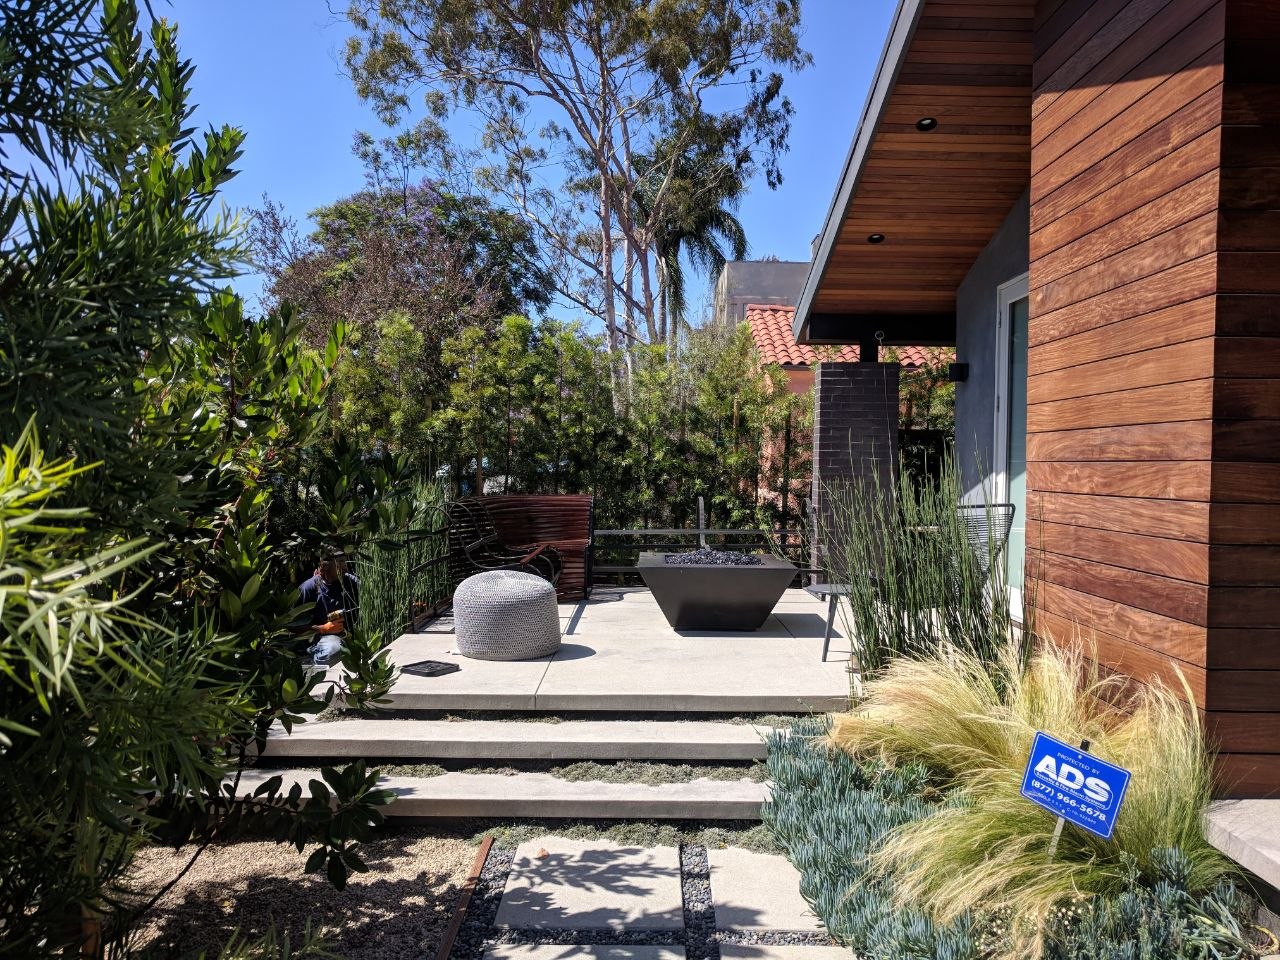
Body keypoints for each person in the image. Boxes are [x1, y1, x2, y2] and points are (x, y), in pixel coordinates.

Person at [298, 553, 358, 666]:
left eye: (345, 561)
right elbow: (294, 627)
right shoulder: (308, 588)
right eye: (340, 562)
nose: (345, 566)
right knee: (332, 650)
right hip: (320, 640)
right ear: (325, 566)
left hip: (347, 636)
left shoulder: (348, 581)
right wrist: (323, 629)